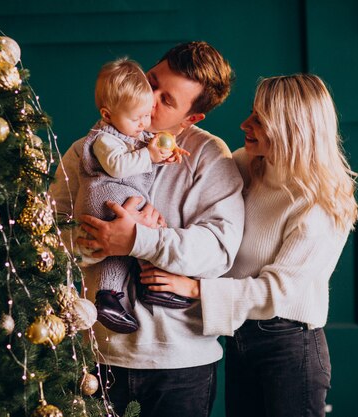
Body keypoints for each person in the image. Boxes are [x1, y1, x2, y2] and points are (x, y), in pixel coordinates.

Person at [140, 74, 358, 417]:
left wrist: (195, 289)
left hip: (288, 347)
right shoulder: (246, 165)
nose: (245, 124)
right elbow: (203, 219)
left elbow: (278, 292)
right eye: (252, 113)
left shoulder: (319, 207)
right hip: (238, 337)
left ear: (292, 129)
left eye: (260, 120)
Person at [49, 41, 244, 417]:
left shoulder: (210, 157)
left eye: (167, 100)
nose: (148, 98)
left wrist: (139, 239)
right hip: (98, 357)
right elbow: (49, 234)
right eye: (150, 80)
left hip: (180, 365)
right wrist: (100, 244)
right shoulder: (88, 150)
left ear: (190, 119)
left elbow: (219, 251)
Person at [74, 57, 189, 334]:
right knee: (141, 232)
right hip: (105, 197)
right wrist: (150, 154)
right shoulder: (104, 138)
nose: (143, 124)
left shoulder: (132, 134)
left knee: (144, 235)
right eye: (136, 118)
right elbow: (119, 165)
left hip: (122, 197)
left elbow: (141, 155)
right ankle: (110, 296)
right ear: (107, 114)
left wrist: (162, 156)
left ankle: (143, 289)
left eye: (147, 115)